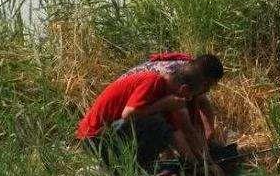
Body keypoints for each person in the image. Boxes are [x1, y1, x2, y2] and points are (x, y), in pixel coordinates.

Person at [77, 56, 226, 176]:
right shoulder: (153, 81)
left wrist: (202, 165)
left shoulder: (169, 93)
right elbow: (128, 114)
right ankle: (109, 166)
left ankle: (133, 168)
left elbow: (177, 133)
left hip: (113, 136)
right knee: (156, 123)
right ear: (184, 89)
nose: (186, 101)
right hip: (95, 140)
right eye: (189, 97)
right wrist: (163, 105)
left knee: (164, 130)